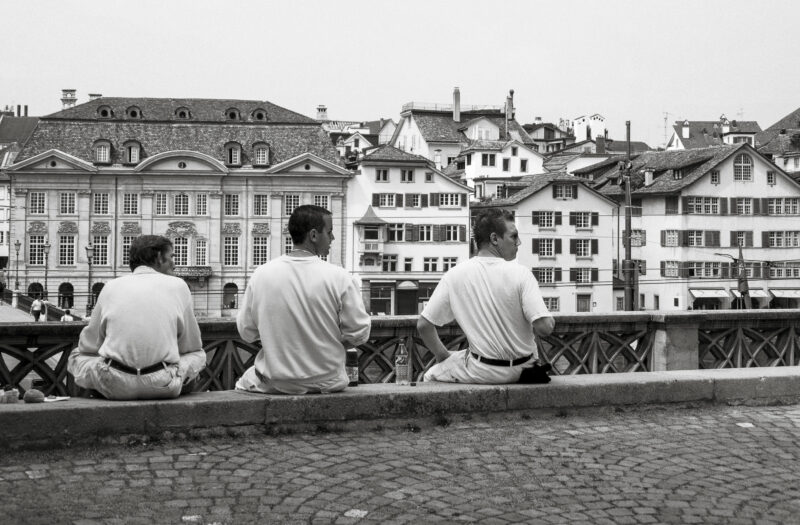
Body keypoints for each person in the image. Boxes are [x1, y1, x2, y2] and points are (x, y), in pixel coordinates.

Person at [236, 205, 370, 394]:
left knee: (244, 381)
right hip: (328, 380)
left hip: (277, 381)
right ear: (313, 235)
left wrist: (278, 342)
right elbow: (360, 332)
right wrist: (327, 343)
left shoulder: (261, 274)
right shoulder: (338, 276)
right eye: (329, 232)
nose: (332, 238)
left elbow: (246, 332)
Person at [417, 208, 555, 384]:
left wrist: (443, 356)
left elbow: (423, 325)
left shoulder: (454, 275)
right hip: (526, 369)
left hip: (483, 371)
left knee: (430, 375)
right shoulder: (522, 274)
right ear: (494, 239)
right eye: (513, 236)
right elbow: (545, 328)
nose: (518, 242)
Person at [67, 235, 207, 400]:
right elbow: (191, 344)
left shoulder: (110, 287)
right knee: (199, 354)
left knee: (76, 355)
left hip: (114, 384)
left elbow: (89, 344)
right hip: (163, 383)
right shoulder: (179, 285)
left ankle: (93, 390)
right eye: (171, 257)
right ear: (159, 258)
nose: (174, 264)